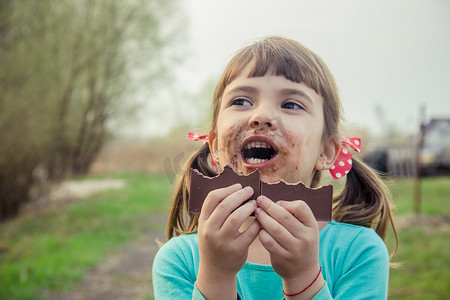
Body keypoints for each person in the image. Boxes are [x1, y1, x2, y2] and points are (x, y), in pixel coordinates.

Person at [152, 36, 398, 299]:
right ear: (214, 147)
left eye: (291, 104)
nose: (261, 116)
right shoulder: (180, 260)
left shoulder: (358, 252)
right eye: (241, 101)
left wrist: (304, 278)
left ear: (326, 151)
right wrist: (216, 275)